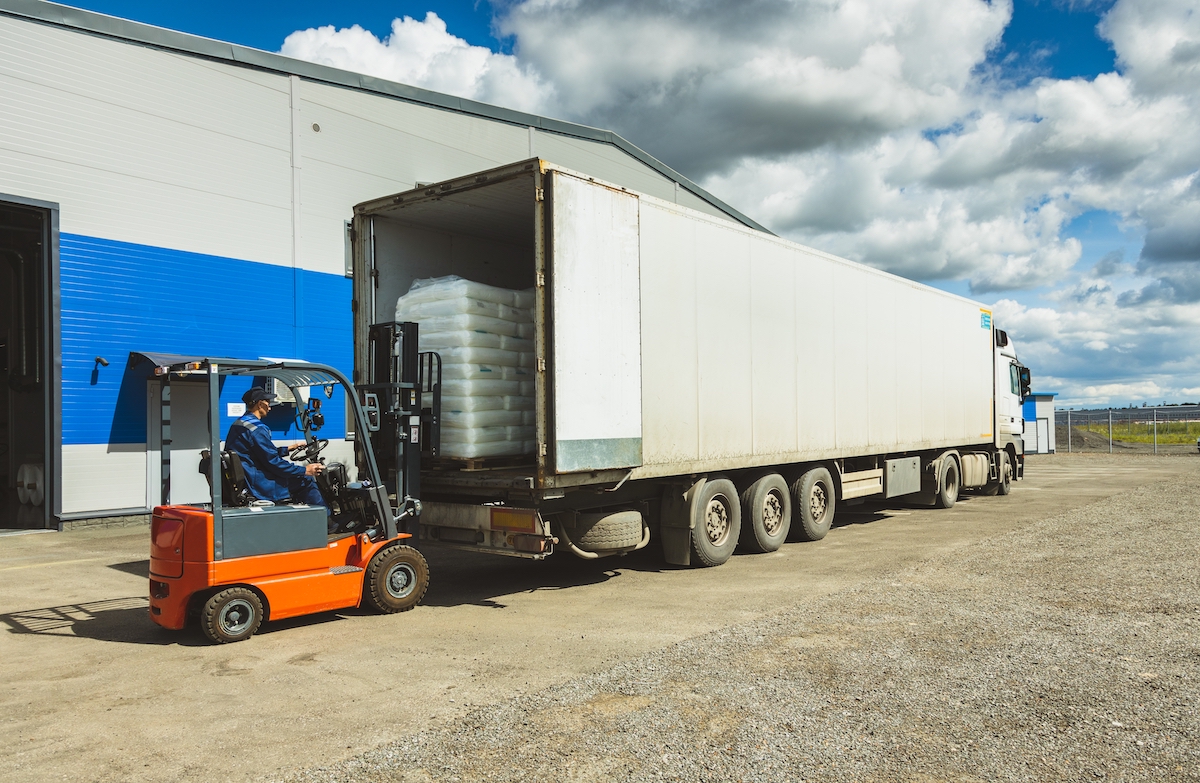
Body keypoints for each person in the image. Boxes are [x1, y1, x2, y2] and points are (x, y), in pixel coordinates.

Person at [224, 386, 326, 508]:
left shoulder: (238, 425)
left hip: (250, 476)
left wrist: (287, 449)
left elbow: (257, 453)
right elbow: (274, 463)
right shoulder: (258, 429)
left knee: (298, 476)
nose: (270, 407)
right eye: (268, 403)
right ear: (260, 404)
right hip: (260, 484)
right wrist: (305, 470)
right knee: (306, 480)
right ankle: (326, 520)